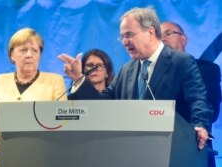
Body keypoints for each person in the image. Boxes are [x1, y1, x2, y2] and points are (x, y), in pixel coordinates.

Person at [59, 7, 213, 153]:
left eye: (129, 35)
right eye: (122, 37)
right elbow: (101, 105)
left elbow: (198, 99)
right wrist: (79, 79)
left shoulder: (180, 61)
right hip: (130, 151)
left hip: (170, 150)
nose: (124, 42)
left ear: (151, 32)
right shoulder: (127, 69)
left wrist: (199, 125)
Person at [0, 27, 67, 167]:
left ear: (39, 55)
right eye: (23, 50)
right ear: (12, 55)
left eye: (35, 50)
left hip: (37, 160)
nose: (29, 55)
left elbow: (62, 123)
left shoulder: (55, 81)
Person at [161, 21, 221, 167]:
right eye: (159, 36)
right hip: (159, 151)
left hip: (194, 150)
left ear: (184, 39)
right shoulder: (149, 74)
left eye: (168, 33)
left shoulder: (206, 69)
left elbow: (211, 111)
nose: (163, 39)